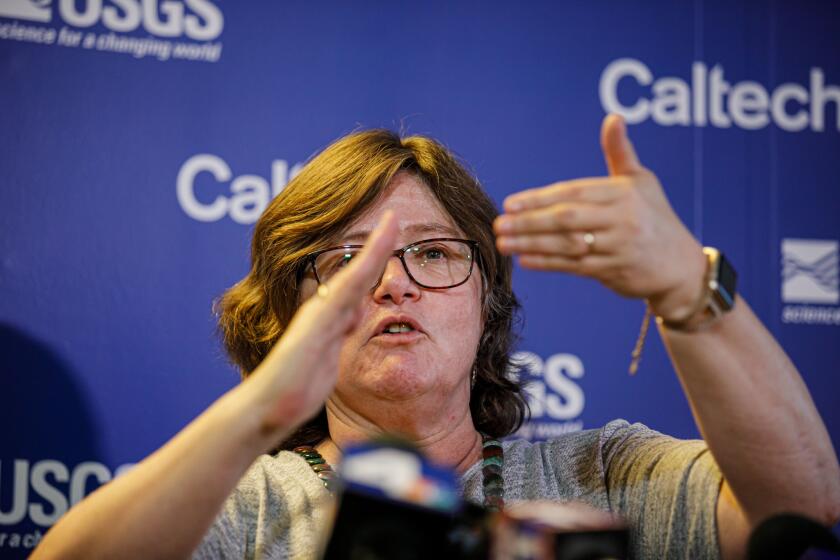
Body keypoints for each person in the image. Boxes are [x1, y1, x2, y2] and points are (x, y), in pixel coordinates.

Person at [32, 115, 840, 559]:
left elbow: (799, 507)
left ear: (487, 296)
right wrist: (260, 411)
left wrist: (689, 290)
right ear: (291, 307)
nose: (394, 280)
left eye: (434, 252)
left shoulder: (601, 476)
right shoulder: (245, 509)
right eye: (348, 259)